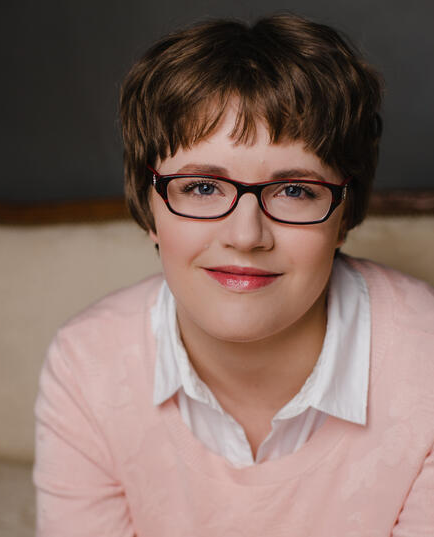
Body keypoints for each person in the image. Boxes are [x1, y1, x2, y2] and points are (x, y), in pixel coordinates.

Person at [33, 13, 434, 536]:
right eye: (202, 187)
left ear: (343, 214)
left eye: (294, 190)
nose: (246, 236)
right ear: (151, 207)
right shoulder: (86, 364)